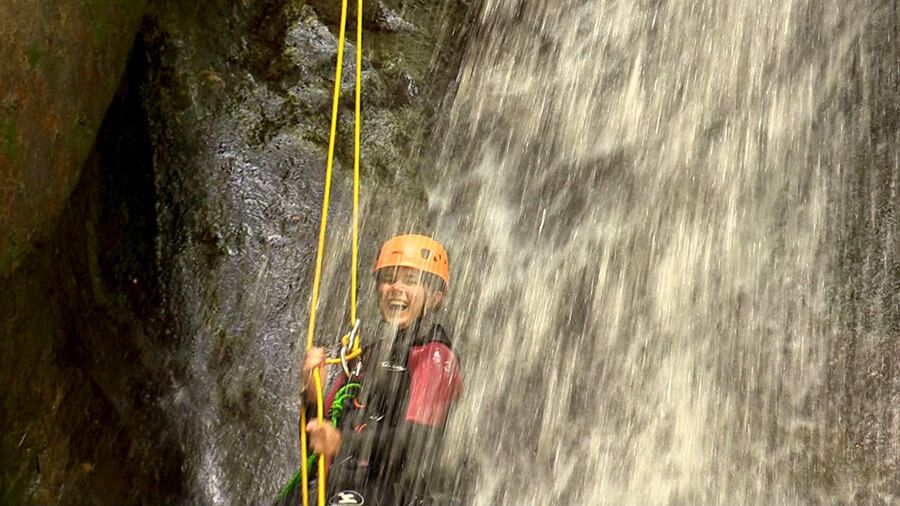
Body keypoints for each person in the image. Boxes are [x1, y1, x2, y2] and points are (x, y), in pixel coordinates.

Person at [298, 234, 463, 506]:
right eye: (388, 278)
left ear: (435, 296)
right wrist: (312, 397)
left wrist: (344, 443)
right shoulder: (365, 357)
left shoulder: (435, 356)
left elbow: (418, 442)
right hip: (346, 487)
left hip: (401, 493)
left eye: (410, 281)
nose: (396, 288)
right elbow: (313, 450)